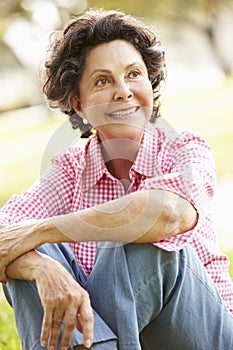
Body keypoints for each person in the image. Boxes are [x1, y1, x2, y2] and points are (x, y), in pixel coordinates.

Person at [0, 8, 233, 350]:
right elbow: (5, 235)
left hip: (205, 335)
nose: (123, 91)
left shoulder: (185, 148)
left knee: (142, 243)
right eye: (102, 80)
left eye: (134, 74)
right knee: (32, 259)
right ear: (78, 104)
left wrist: (40, 230)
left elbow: (168, 214)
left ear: (150, 87)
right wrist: (43, 269)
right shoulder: (68, 170)